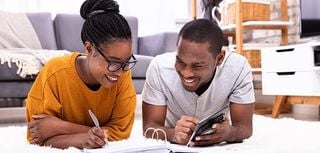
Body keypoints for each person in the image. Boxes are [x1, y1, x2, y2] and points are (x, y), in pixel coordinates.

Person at [26, 0, 137, 149]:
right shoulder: (55, 73)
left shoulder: (123, 74)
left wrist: (61, 127)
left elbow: (121, 134)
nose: (120, 71)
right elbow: (38, 136)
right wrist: (84, 137)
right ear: (89, 48)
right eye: (113, 62)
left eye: (126, 62)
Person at [142, 19, 255, 147]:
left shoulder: (238, 68)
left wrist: (228, 133)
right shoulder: (159, 68)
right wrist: (172, 134)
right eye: (180, 62)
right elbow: (149, 128)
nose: (186, 73)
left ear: (219, 58)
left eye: (197, 66)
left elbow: (245, 128)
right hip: (173, 134)